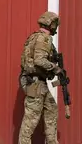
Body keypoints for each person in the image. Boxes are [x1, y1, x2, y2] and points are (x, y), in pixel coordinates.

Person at [18, 11, 62, 144]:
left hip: (38, 83)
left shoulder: (34, 37)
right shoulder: (44, 38)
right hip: (35, 84)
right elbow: (39, 60)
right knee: (30, 120)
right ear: (51, 24)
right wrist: (55, 68)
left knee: (51, 109)